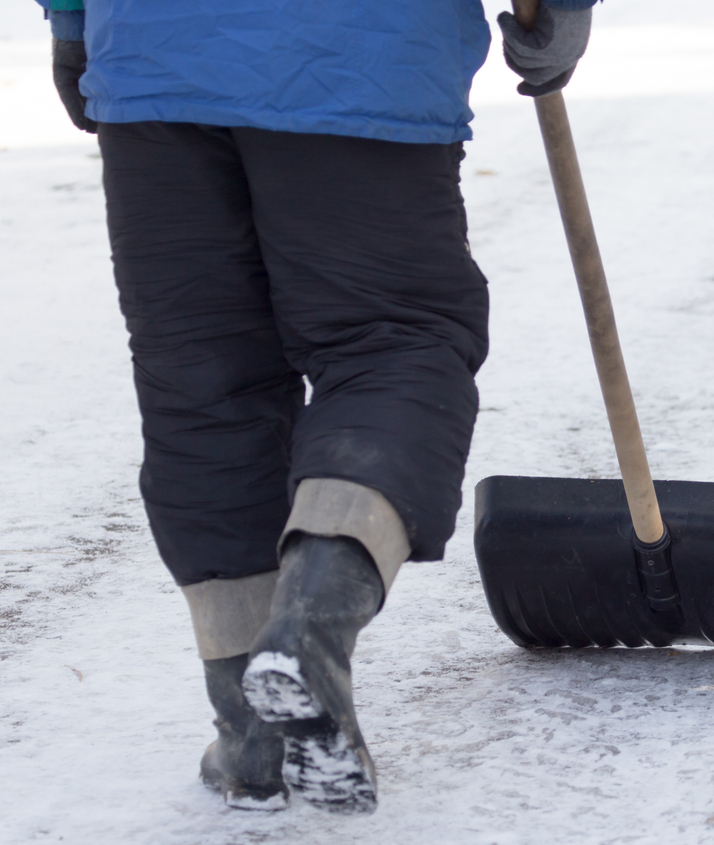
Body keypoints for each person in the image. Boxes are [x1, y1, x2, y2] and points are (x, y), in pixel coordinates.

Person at [37, 0, 596, 815]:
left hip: (152, 57)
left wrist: (68, 20)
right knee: (393, 343)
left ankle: (251, 731)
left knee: (203, 385)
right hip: (358, 56)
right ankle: (310, 628)